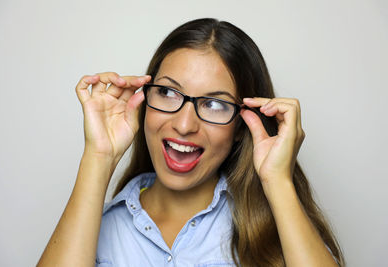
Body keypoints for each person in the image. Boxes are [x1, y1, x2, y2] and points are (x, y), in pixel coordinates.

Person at [37, 18, 344, 267]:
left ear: (242, 125)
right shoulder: (98, 228)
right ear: (144, 99)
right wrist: (99, 156)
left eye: (215, 104)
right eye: (168, 93)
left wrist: (278, 181)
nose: (184, 125)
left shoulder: (277, 229)